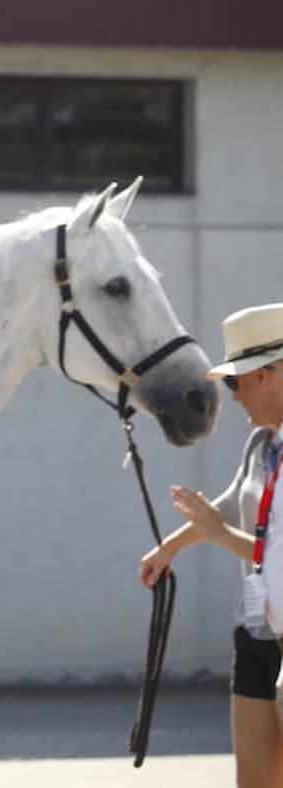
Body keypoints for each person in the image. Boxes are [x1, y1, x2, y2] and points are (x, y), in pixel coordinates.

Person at [140, 303, 283, 788]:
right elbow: (226, 509)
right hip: (256, 631)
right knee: (256, 780)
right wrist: (170, 548)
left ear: (268, 375)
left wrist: (219, 536)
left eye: (235, 382)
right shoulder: (263, 445)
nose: (232, 397)